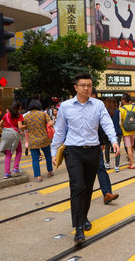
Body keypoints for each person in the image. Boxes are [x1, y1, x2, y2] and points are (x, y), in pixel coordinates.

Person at [51, 73, 120, 243]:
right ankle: (79, 227)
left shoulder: (98, 105)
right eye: (83, 85)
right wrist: (54, 152)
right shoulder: (66, 107)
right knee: (78, 186)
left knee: (88, 188)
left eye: (89, 85)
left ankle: (84, 216)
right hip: (73, 150)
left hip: (93, 150)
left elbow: (106, 123)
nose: (86, 88)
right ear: (76, 87)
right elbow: (59, 130)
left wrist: (114, 140)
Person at [91, 88, 120, 205]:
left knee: (101, 168)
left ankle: (107, 193)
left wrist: (104, 141)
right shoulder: (71, 107)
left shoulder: (99, 107)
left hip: (95, 144)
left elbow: (103, 125)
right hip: (77, 148)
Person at [24, 99, 54, 183]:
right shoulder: (43, 114)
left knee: (35, 159)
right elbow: (51, 123)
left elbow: (24, 127)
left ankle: (38, 177)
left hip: (33, 140)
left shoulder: (26, 116)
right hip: (44, 138)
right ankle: (50, 172)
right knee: (48, 156)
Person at [0, 102, 25, 179]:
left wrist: (7, 126)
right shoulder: (19, 115)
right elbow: (20, 126)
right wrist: (26, 126)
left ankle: (7, 173)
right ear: (19, 108)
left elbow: (0, 125)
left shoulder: (6, 115)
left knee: (8, 154)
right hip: (14, 135)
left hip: (6, 134)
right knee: (19, 151)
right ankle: (15, 168)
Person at [119, 93, 135, 169]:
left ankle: (132, 163)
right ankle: (130, 161)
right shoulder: (134, 108)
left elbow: (120, 121)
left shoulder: (121, 109)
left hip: (126, 131)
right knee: (132, 146)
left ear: (123, 100)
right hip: (134, 130)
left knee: (128, 147)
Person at [104, 98, 122, 172]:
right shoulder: (118, 111)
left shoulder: (105, 111)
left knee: (107, 148)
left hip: (107, 133)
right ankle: (116, 166)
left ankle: (107, 163)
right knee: (117, 148)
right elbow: (120, 123)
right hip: (117, 131)